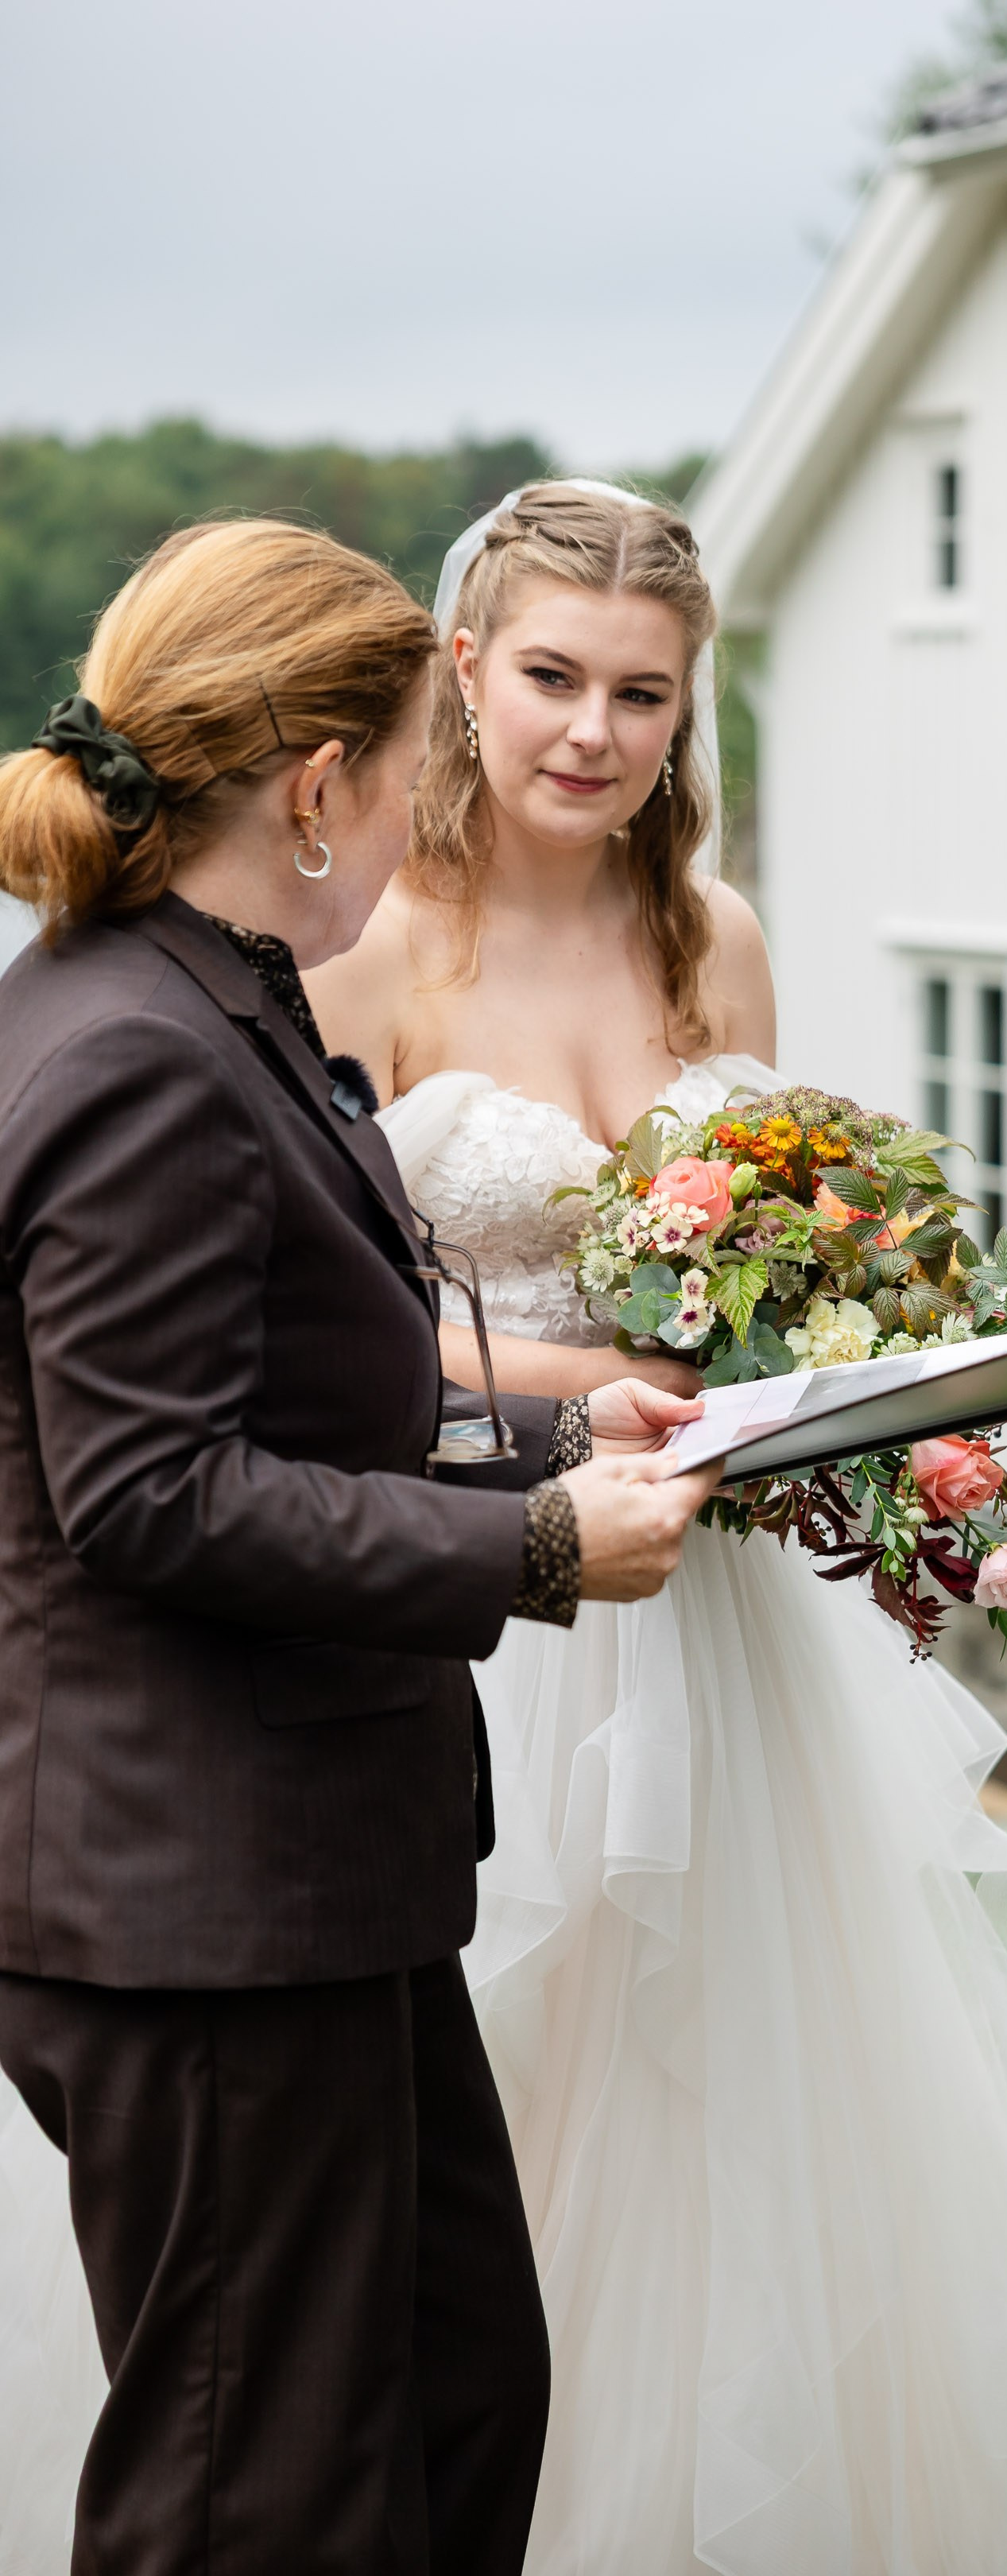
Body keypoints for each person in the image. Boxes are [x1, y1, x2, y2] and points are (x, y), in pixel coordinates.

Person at [307, 480, 1007, 2575]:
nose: (592, 734)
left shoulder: (720, 935)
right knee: (516, 2078)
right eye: (550, 681)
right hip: (493, 1587)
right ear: (464, 668)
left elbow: (771, 1278)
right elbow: (335, 1313)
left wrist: (866, 1407)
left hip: (717, 1611)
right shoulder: (364, 944)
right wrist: (575, 1393)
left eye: (642, 696)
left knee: (749, 2098)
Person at [0, 517, 718, 2576]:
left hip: (315, 1878)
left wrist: (548, 1441)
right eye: (419, 759)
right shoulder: (137, 1053)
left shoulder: (200, 1005)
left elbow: (303, 1401)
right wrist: (540, 1554)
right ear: (320, 783)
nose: (432, 807)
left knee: (449, 2382)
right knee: (258, 2487)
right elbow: (146, 1493)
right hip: (196, 1901)